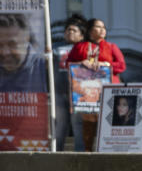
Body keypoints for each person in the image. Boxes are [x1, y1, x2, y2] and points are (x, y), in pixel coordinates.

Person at [67, 17, 126, 151]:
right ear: (89, 30)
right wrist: (81, 63)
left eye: (103, 27)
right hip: (86, 93)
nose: (102, 30)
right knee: (88, 123)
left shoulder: (111, 47)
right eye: (98, 27)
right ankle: (87, 152)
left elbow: (122, 66)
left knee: (107, 121)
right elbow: (68, 64)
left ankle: (107, 150)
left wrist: (106, 64)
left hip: (108, 90)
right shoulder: (79, 47)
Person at [53, 16, 86, 151]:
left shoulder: (86, 48)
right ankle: (56, 154)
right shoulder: (55, 47)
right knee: (60, 125)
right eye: (67, 30)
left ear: (82, 34)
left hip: (79, 94)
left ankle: (80, 155)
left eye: (73, 30)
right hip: (59, 92)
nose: (69, 32)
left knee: (78, 125)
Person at [0, 13, 47, 93]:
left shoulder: (45, 67)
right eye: (0, 45)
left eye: (12, 45)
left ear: (27, 39)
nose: (4, 52)